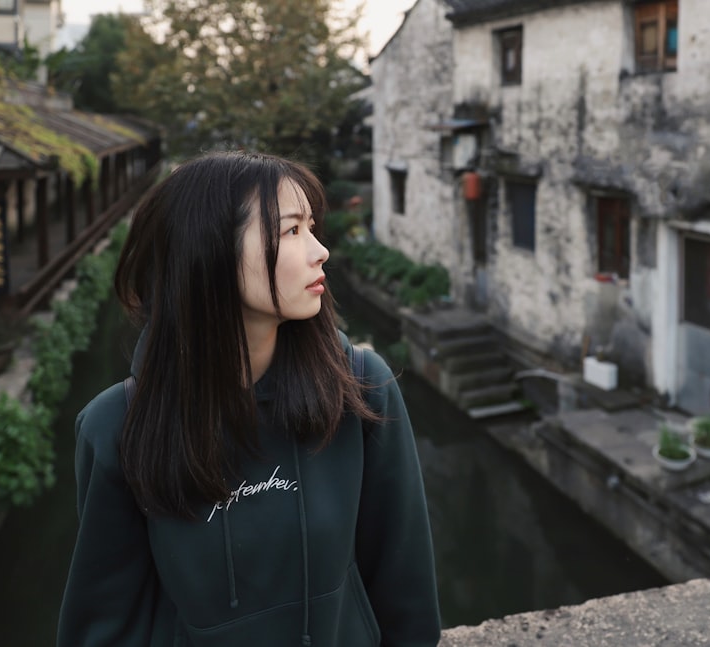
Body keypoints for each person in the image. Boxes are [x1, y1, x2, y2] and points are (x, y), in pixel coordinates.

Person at [57, 151, 442, 647]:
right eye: (291, 231)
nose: (320, 250)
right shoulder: (115, 426)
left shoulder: (359, 386)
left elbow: (404, 587)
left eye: (312, 227)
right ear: (210, 252)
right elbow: (105, 626)